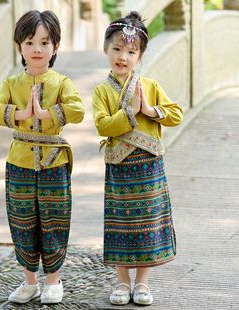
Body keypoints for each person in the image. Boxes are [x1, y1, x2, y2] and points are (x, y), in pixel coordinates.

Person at [0, 10, 85, 305]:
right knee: (22, 220)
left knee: (54, 219)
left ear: (56, 46)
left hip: (54, 162)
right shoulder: (11, 84)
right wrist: (21, 114)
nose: (37, 49)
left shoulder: (61, 82)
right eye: (30, 42)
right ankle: (29, 281)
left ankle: (53, 281)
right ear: (19, 47)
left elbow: (78, 110)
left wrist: (47, 114)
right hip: (19, 162)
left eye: (45, 42)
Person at [92, 11, 183, 306]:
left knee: (147, 224)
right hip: (120, 166)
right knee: (121, 224)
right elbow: (103, 125)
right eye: (117, 49)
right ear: (106, 49)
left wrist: (150, 109)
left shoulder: (151, 86)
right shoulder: (102, 90)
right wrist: (131, 112)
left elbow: (175, 114)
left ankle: (142, 283)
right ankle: (121, 282)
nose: (122, 56)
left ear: (140, 55)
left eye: (131, 51)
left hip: (148, 165)